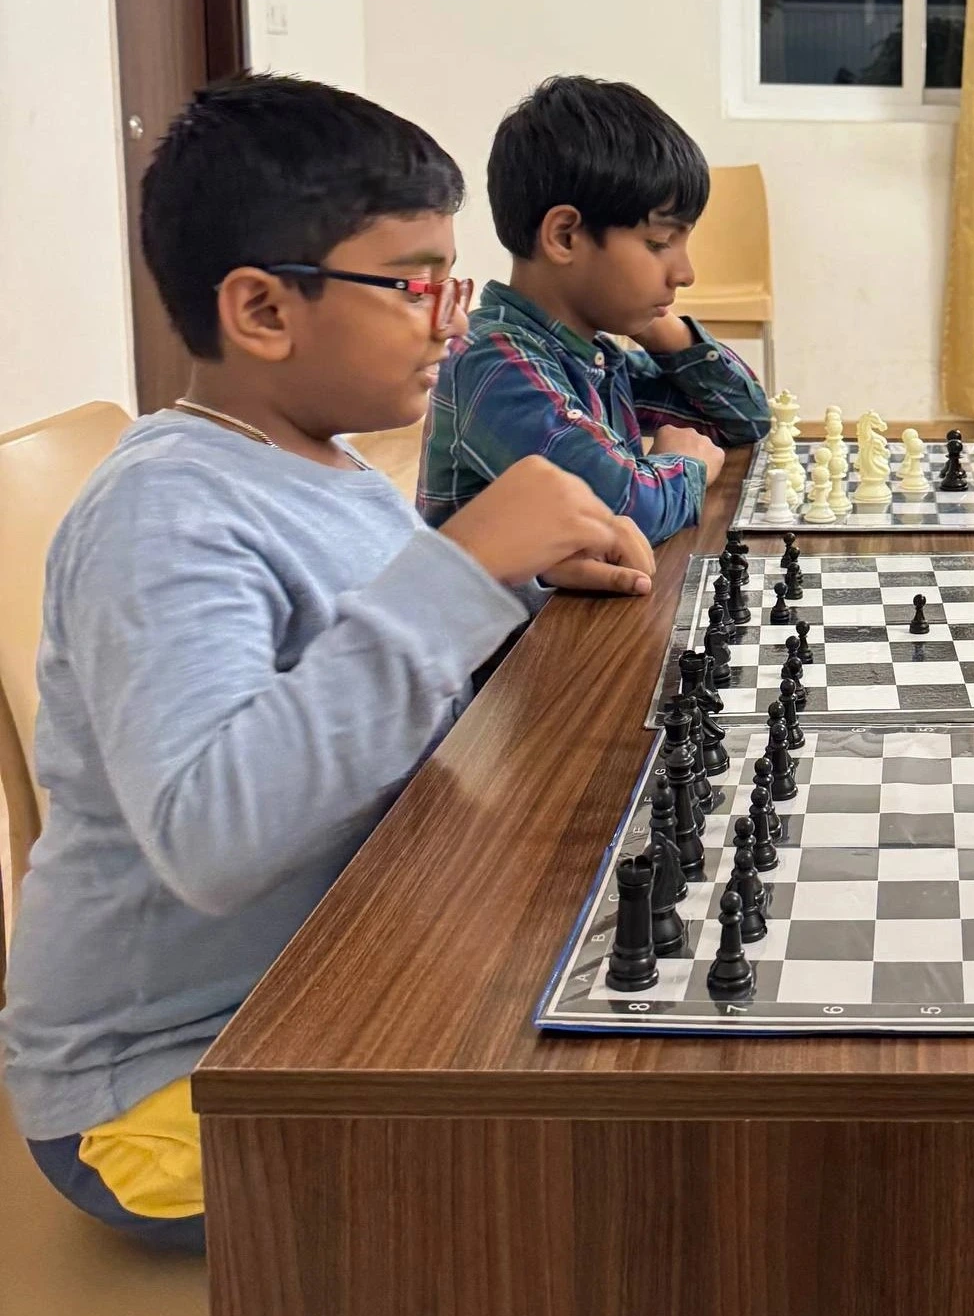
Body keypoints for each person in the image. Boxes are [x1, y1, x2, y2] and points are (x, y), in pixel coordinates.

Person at [1, 76, 655, 1252]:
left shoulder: (333, 469)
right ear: (261, 309)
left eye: (450, 282)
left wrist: (514, 584)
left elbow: (386, 668)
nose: (453, 320)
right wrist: (459, 569)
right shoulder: (166, 510)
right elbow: (215, 833)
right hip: (170, 1088)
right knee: (608, 1170)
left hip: (330, 981)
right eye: (414, 284)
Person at [418, 76, 770, 544]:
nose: (685, 273)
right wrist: (688, 463)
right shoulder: (496, 361)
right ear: (565, 236)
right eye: (660, 243)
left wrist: (670, 335)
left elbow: (745, 419)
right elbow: (626, 511)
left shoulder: (594, 356)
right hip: (515, 620)